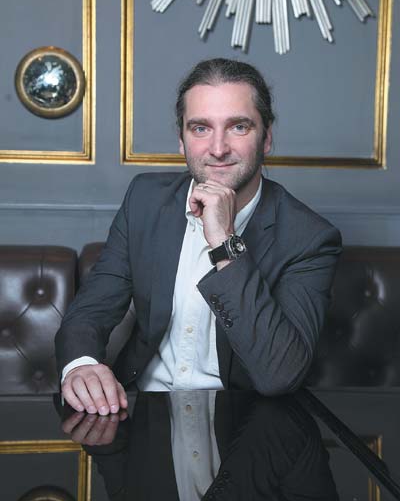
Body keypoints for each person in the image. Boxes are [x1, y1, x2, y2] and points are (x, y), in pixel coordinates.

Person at [55, 57, 341, 415]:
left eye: (238, 127)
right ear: (181, 140)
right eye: (200, 128)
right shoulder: (145, 200)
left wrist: (225, 242)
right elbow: (91, 309)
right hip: (141, 412)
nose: (218, 149)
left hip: (242, 423)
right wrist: (80, 364)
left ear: (266, 138)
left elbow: (279, 374)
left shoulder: (309, 238)